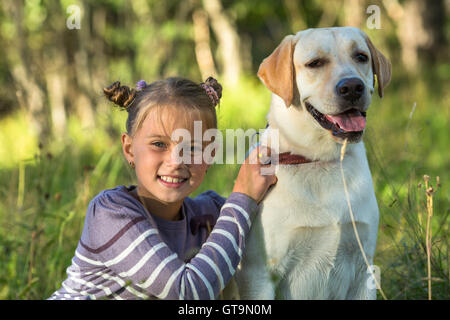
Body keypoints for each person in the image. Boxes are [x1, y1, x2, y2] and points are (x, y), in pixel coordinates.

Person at [48, 76, 277, 300]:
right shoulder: (110, 213)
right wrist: (243, 197)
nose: (176, 161)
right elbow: (186, 293)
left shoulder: (212, 214)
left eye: (192, 147)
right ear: (129, 149)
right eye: (159, 144)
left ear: (211, 153)